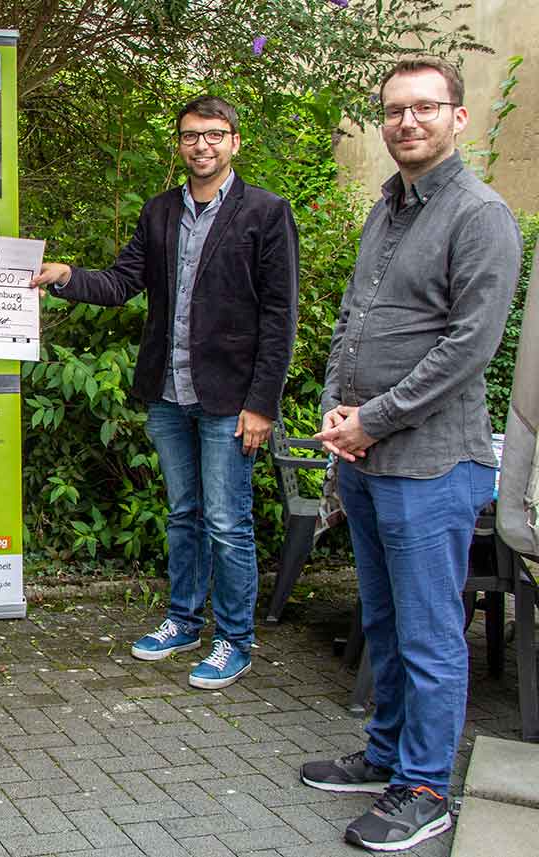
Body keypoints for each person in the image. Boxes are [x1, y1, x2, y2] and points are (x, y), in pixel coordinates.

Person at [300, 58, 521, 853]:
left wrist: (376, 417)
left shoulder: (480, 214)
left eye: (426, 108)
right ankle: (386, 755)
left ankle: (425, 790)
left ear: (459, 117)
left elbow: (471, 347)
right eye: (395, 110)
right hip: (366, 459)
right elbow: (352, 319)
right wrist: (337, 402)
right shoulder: (385, 207)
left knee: (430, 635)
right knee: (386, 619)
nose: (408, 123)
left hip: (431, 466)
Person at [31, 95, 298, 690]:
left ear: (234, 141)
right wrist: (67, 277)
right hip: (168, 392)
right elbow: (125, 281)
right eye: (190, 136)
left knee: (228, 522)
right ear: (178, 144)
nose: (202, 145)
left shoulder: (265, 212)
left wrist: (262, 403)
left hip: (232, 398)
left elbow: (280, 316)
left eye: (214, 134)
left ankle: (235, 639)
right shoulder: (159, 212)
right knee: (184, 515)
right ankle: (183, 621)